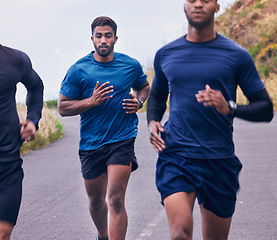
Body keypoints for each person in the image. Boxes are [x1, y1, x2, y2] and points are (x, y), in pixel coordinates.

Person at [147, 1, 274, 239]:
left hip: (219, 159)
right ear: (184, 6)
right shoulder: (166, 54)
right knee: (180, 233)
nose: (198, 4)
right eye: (192, 0)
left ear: (216, 6)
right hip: (177, 155)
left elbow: (265, 108)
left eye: (205, 0)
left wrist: (229, 107)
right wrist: (152, 121)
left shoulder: (237, 55)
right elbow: (156, 95)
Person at [58, 16, 149, 240]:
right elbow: (62, 107)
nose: (103, 40)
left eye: (108, 35)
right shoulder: (78, 70)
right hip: (91, 143)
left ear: (115, 38)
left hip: (122, 138)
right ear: (92, 39)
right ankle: (103, 236)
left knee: (116, 198)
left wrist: (139, 102)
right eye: (99, 36)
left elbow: (144, 87)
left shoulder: (130, 65)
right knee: (96, 202)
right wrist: (90, 102)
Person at [0, 45, 44, 240]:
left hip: (7, 161)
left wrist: (33, 119)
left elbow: (35, 86)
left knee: (3, 232)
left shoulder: (15, 59)